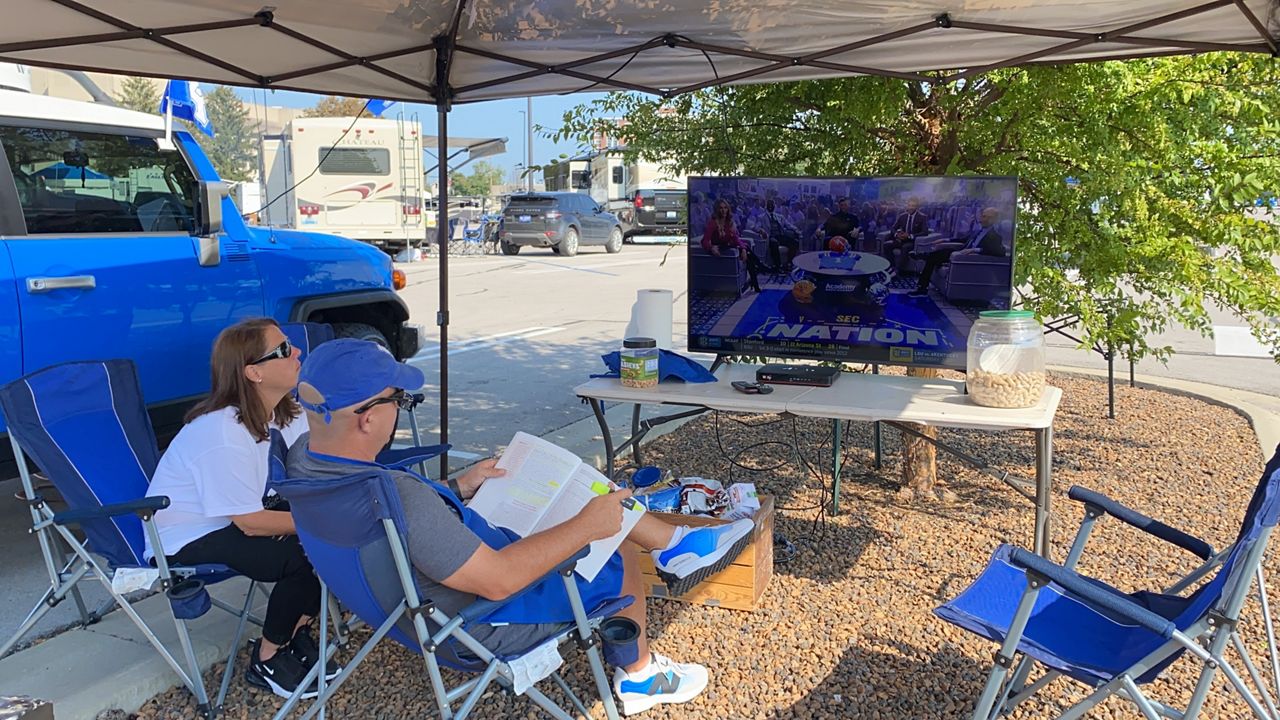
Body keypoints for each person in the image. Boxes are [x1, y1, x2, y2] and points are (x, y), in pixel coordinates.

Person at [286, 339, 757, 716]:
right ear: (369, 418)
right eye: (399, 399)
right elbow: (499, 580)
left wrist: (457, 485)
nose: (402, 407)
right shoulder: (398, 496)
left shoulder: (307, 461)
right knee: (611, 546)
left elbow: (411, 521)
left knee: (578, 506)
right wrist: (585, 528)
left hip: (408, 607)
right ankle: (639, 674)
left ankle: (675, 544)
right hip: (472, 624)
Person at [144, 318, 334, 700]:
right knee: (306, 551)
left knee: (329, 542)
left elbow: (318, 468)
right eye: (283, 349)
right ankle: (267, 658)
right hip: (187, 535)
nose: (297, 352)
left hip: (238, 515)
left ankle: (294, 636)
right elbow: (249, 523)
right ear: (253, 373)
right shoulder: (221, 431)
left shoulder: (286, 412)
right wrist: (316, 523)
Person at [908, 207, 1006, 296]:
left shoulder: (995, 235)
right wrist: (946, 240)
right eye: (982, 216)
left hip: (967, 258)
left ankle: (923, 270)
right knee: (934, 257)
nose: (981, 219)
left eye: (985, 217)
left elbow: (1000, 252)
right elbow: (963, 239)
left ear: (993, 219)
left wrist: (975, 250)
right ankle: (923, 278)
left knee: (933, 258)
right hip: (960, 253)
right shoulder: (979, 231)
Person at [701, 198, 768, 293]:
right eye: (721, 208)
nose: (723, 210)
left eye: (725, 208)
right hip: (723, 249)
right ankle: (761, 269)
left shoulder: (729, 222)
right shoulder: (712, 223)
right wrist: (711, 247)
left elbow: (735, 238)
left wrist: (743, 249)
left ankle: (756, 282)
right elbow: (705, 240)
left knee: (748, 255)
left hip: (730, 246)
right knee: (747, 253)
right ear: (717, 209)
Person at [761, 198, 801, 270]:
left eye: (772, 204)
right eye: (769, 204)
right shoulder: (762, 217)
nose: (770, 206)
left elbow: (788, 224)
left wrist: (796, 229)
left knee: (795, 242)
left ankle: (789, 263)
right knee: (774, 243)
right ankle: (778, 266)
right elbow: (755, 226)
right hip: (771, 236)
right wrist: (761, 230)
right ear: (766, 206)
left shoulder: (779, 216)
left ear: (774, 206)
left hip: (780, 235)